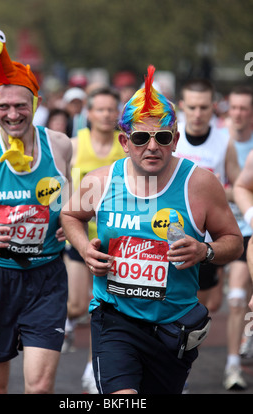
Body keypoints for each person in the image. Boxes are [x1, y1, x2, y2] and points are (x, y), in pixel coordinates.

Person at [60, 65, 243, 394]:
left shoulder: (199, 183)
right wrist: (85, 248)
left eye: (162, 137)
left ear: (175, 139)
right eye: (142, 138)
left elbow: (233, 242)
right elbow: (71, 214)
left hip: (174, 324)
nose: (152, 146)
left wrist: (206, 251)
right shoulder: (101, 181)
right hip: (114, 316)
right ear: (125, 141)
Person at [0, 26, 72, 394]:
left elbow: (71, 203)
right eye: (2, 106)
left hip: (46, 278)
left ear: (35, 104)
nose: (12, 114)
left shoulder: (62, 146)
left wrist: (70, 222)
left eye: (21, 105)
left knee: (38, 386)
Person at [63, 86, 126, 393]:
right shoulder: (75, 146)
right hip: (78, 238)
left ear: (118, 114)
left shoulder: (126, 146)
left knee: (100, 307)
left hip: (115, 243)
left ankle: (93, 365)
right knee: (76, 303)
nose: (105, 115)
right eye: (99, 109)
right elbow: (59, 184)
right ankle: (66, 321)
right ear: (88, 113)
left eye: (111, 109)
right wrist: (60, 217)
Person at [175, 78, 240, 313]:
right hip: (170, 228)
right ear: (182, 105)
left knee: (201, 307)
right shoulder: (170, 137)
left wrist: (217, 192)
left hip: (206, 235)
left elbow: (239, 186)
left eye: (204, 107)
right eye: (192, 107)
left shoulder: (224, 142)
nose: (198, 113)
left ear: (213, 106)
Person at [222, 85, 253, 390]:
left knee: (239, 299)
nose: (240, 113)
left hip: (250, 232)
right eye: (235, 107)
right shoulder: (221, 141)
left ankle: (236, 360)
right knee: (230, 299)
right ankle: (233, 363)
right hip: (226, 230)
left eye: (245, 108)